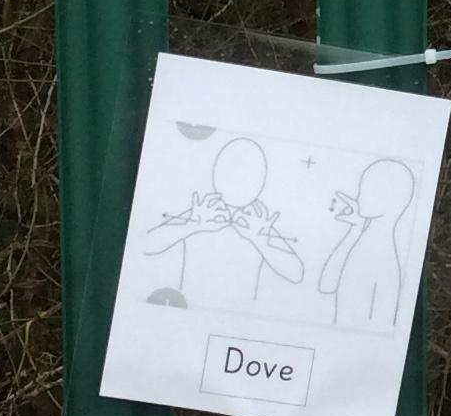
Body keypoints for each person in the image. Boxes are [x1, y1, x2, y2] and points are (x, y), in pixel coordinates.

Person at [143, 135, 304, 310]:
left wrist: (259, 241)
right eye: (232, 172)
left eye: (248, 174)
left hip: (241, 313)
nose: (238, 180)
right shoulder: (206, 209)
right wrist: (193, 226)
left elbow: (296, 273)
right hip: (189, 307)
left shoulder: (256, 220)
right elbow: (145, 245)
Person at [320, 157, 414, 328]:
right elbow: (326, 285)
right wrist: (354, 230)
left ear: (391, 200)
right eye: (362, 188)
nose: (359, 197)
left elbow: (381, 325)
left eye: (371, 190)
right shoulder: (361, 241)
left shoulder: (384, 261)